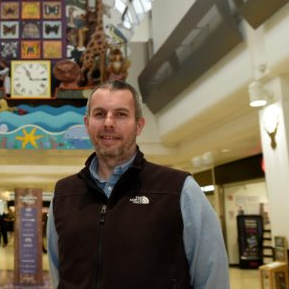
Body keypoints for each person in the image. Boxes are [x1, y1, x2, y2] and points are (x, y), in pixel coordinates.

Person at [47, 80, 229, 289]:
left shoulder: (178, 190)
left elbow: (211, 275)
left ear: (139, 125)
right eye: (99, 114)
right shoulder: (63, 194)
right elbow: (58, 272)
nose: (108, 122)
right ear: (87, 124)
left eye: (121, 114)